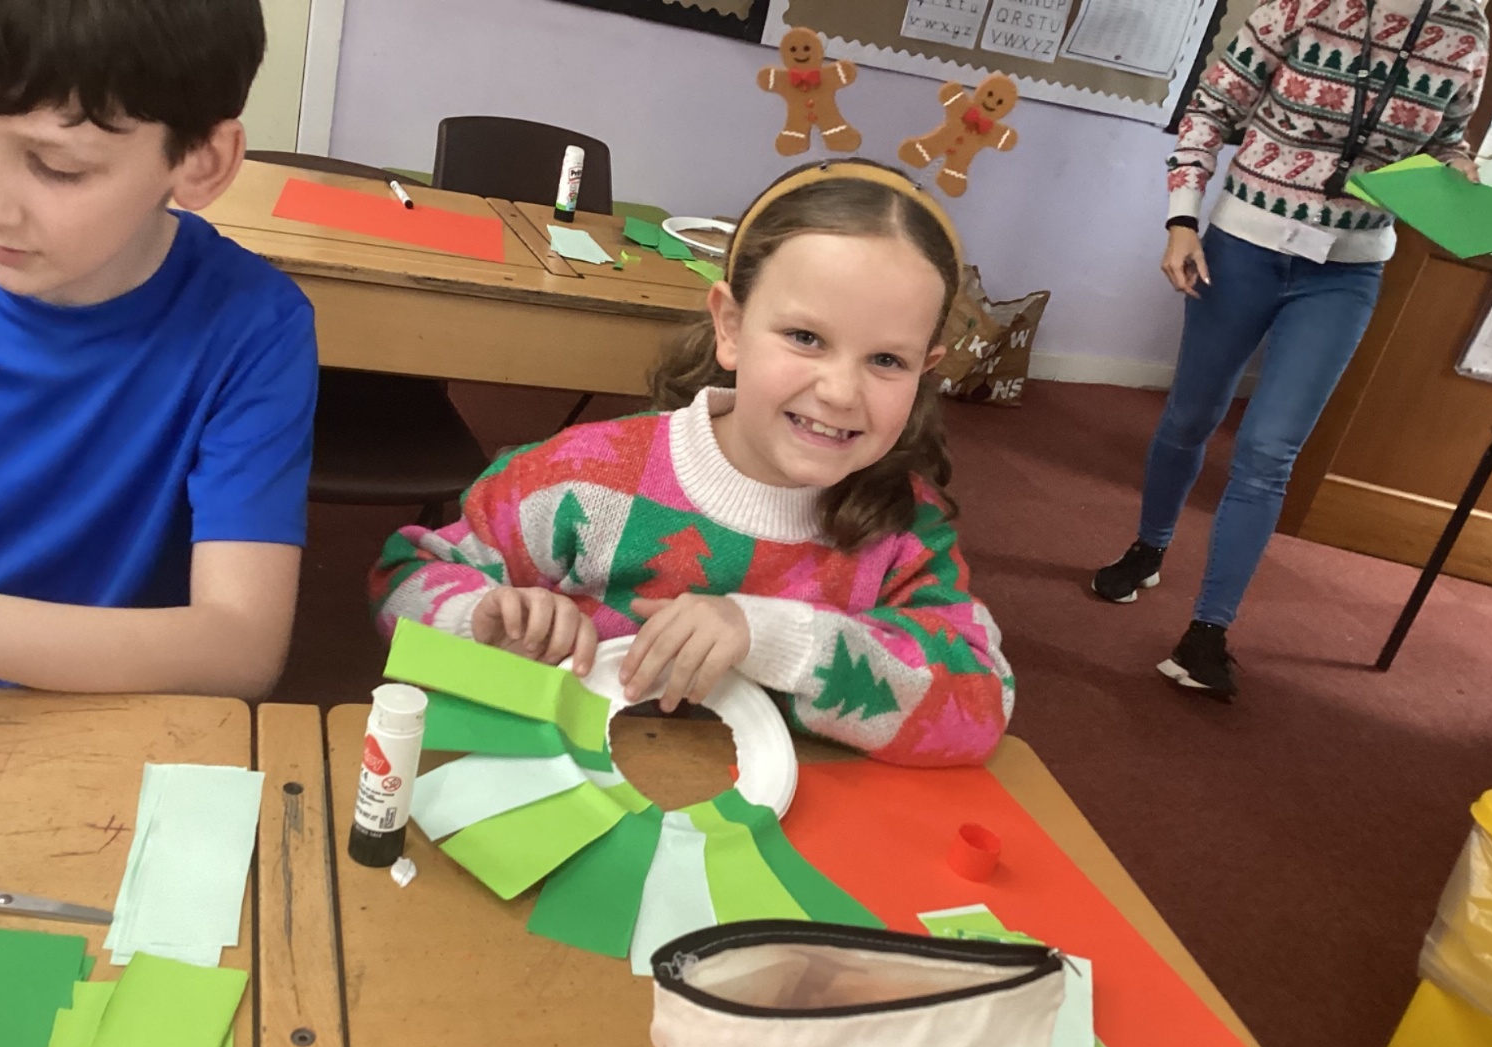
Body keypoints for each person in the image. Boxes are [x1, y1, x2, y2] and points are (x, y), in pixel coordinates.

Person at [372, 160, 1014, 766]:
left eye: (887, 360)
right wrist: (480, 623)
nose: (842, 392)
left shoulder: (905, 529)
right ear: (730, 327)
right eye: (806, 338)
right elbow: (403, 586)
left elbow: (980, 704)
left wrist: (775, 639)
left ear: (925, 371)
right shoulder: (583, 476)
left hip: (775, 820)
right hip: (558, 791)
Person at [1091, 0, 1488, 702]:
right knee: (1191, 416)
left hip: (1348, 270)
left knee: (1270, 451)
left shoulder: (1466, 30)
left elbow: (1449, 137)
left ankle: (1207, 633)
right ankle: (1149, 546)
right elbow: (1210, 109)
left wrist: (1459, 167)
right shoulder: (1303, 6)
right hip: (1242, 248)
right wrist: (1182, 221)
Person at [0, 0, 319, 696]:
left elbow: (241, 648)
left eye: (57, 166)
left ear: (202, 163)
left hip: (95, 720)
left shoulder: (253, 329)